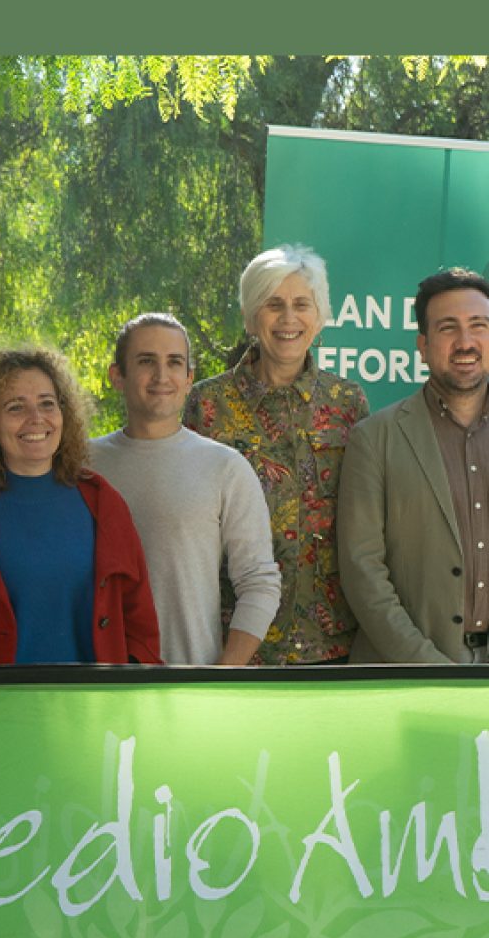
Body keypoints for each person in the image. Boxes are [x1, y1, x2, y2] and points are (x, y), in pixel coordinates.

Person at [0, 346, 161, 669]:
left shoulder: (104, 506)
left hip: (93, 699)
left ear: (64, 414)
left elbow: (140, 625)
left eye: (47, 404)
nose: (36, 418)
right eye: (16, 407)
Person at [184, 245, 368, 664]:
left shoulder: (347, 402)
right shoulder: (208, 404)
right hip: (235, 641)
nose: (288, 318)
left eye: (302, 304)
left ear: (319, 317)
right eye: (273, 304)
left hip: (329, 641)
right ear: (251, 317)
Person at [91, 314, 279, 664]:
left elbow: (259, 582)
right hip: (96, 681)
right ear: (117, 375)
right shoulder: (82, 466)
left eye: (175, 362)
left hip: (189, 678)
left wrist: (221, 677)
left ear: (190, 378)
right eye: (146, 361)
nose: (162, 376)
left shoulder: (225, 467)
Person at [338, 268, 489, 664]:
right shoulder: (374, 438)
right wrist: (428, 668)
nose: (466, 342)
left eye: (479, 325)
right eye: (448, 328)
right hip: (403, 674)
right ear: (423, 345)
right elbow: (362, 570)